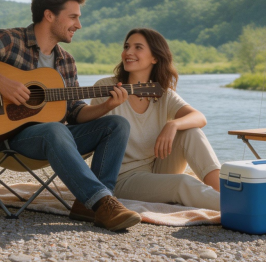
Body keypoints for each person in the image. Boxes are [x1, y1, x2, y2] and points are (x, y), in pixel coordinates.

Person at [0, 0, 141, 231]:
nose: (78, 25)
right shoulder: (11, 40)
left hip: (51, 139)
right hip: (6, 137)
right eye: (73, 17)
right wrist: (3, 84)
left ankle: (93, 204)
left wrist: (107, 106)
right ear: (49, 15)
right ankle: (101, 202)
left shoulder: (66, 61)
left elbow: (74, 113)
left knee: (117, 124)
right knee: (53, 129)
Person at [76, 27, 221, 211]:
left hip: (157, 167)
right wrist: (108, 105)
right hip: (123, 178)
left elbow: (199, 117)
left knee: (191, 131)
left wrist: (173, 124)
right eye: (127, 46)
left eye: (138, 47)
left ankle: (221, 192)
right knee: (183, 182)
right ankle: (237, 208)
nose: (128, 52)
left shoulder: (162, 94)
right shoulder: (106, 87)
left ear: (155, 57)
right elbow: (86, 125)